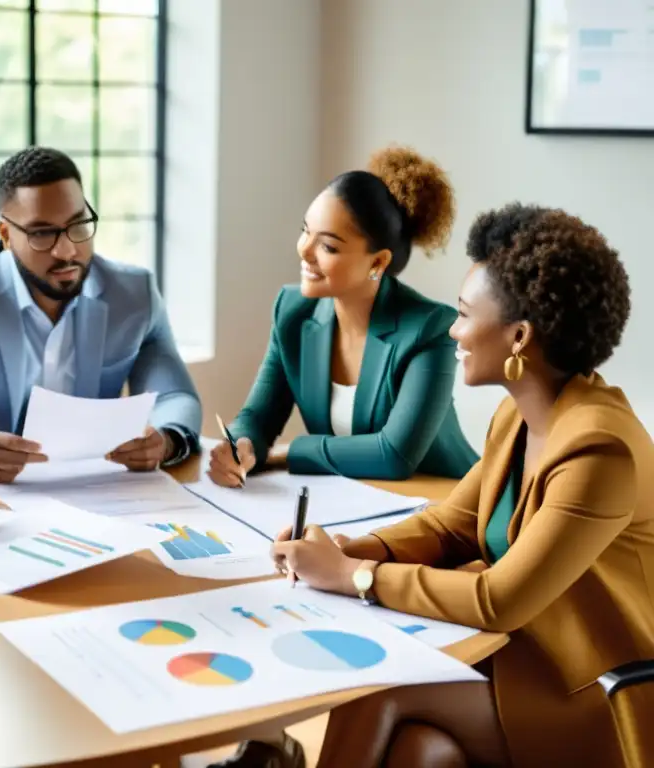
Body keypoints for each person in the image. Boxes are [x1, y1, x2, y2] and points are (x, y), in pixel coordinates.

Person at [252, 204, 653, 767]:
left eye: (464, 314)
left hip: (593, 692)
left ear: (519, 336)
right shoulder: (518, 416)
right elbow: (453, 524)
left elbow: (498, 600)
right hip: (518, 661)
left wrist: (353, 577)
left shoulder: (600, 452)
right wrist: (350, 550)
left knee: (379, 690)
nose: (452, 329)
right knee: (420, 752)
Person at [0, 146, 202, 483]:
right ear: (6, 234)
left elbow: (176, 397)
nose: (66, 251)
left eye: (78, 225)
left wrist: (165, 440)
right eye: (42, 233)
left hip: (102, 491)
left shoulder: (134, 294)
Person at [208, 146, 478, 487]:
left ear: (377, 263)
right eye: (305, 230)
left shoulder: (430, 328)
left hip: (442, 502)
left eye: (328, 246)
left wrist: (289, 453)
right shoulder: (293, 312)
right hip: (352, 499)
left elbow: (394, 455)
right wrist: (242, 446)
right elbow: (257, 417)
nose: (304, 250)